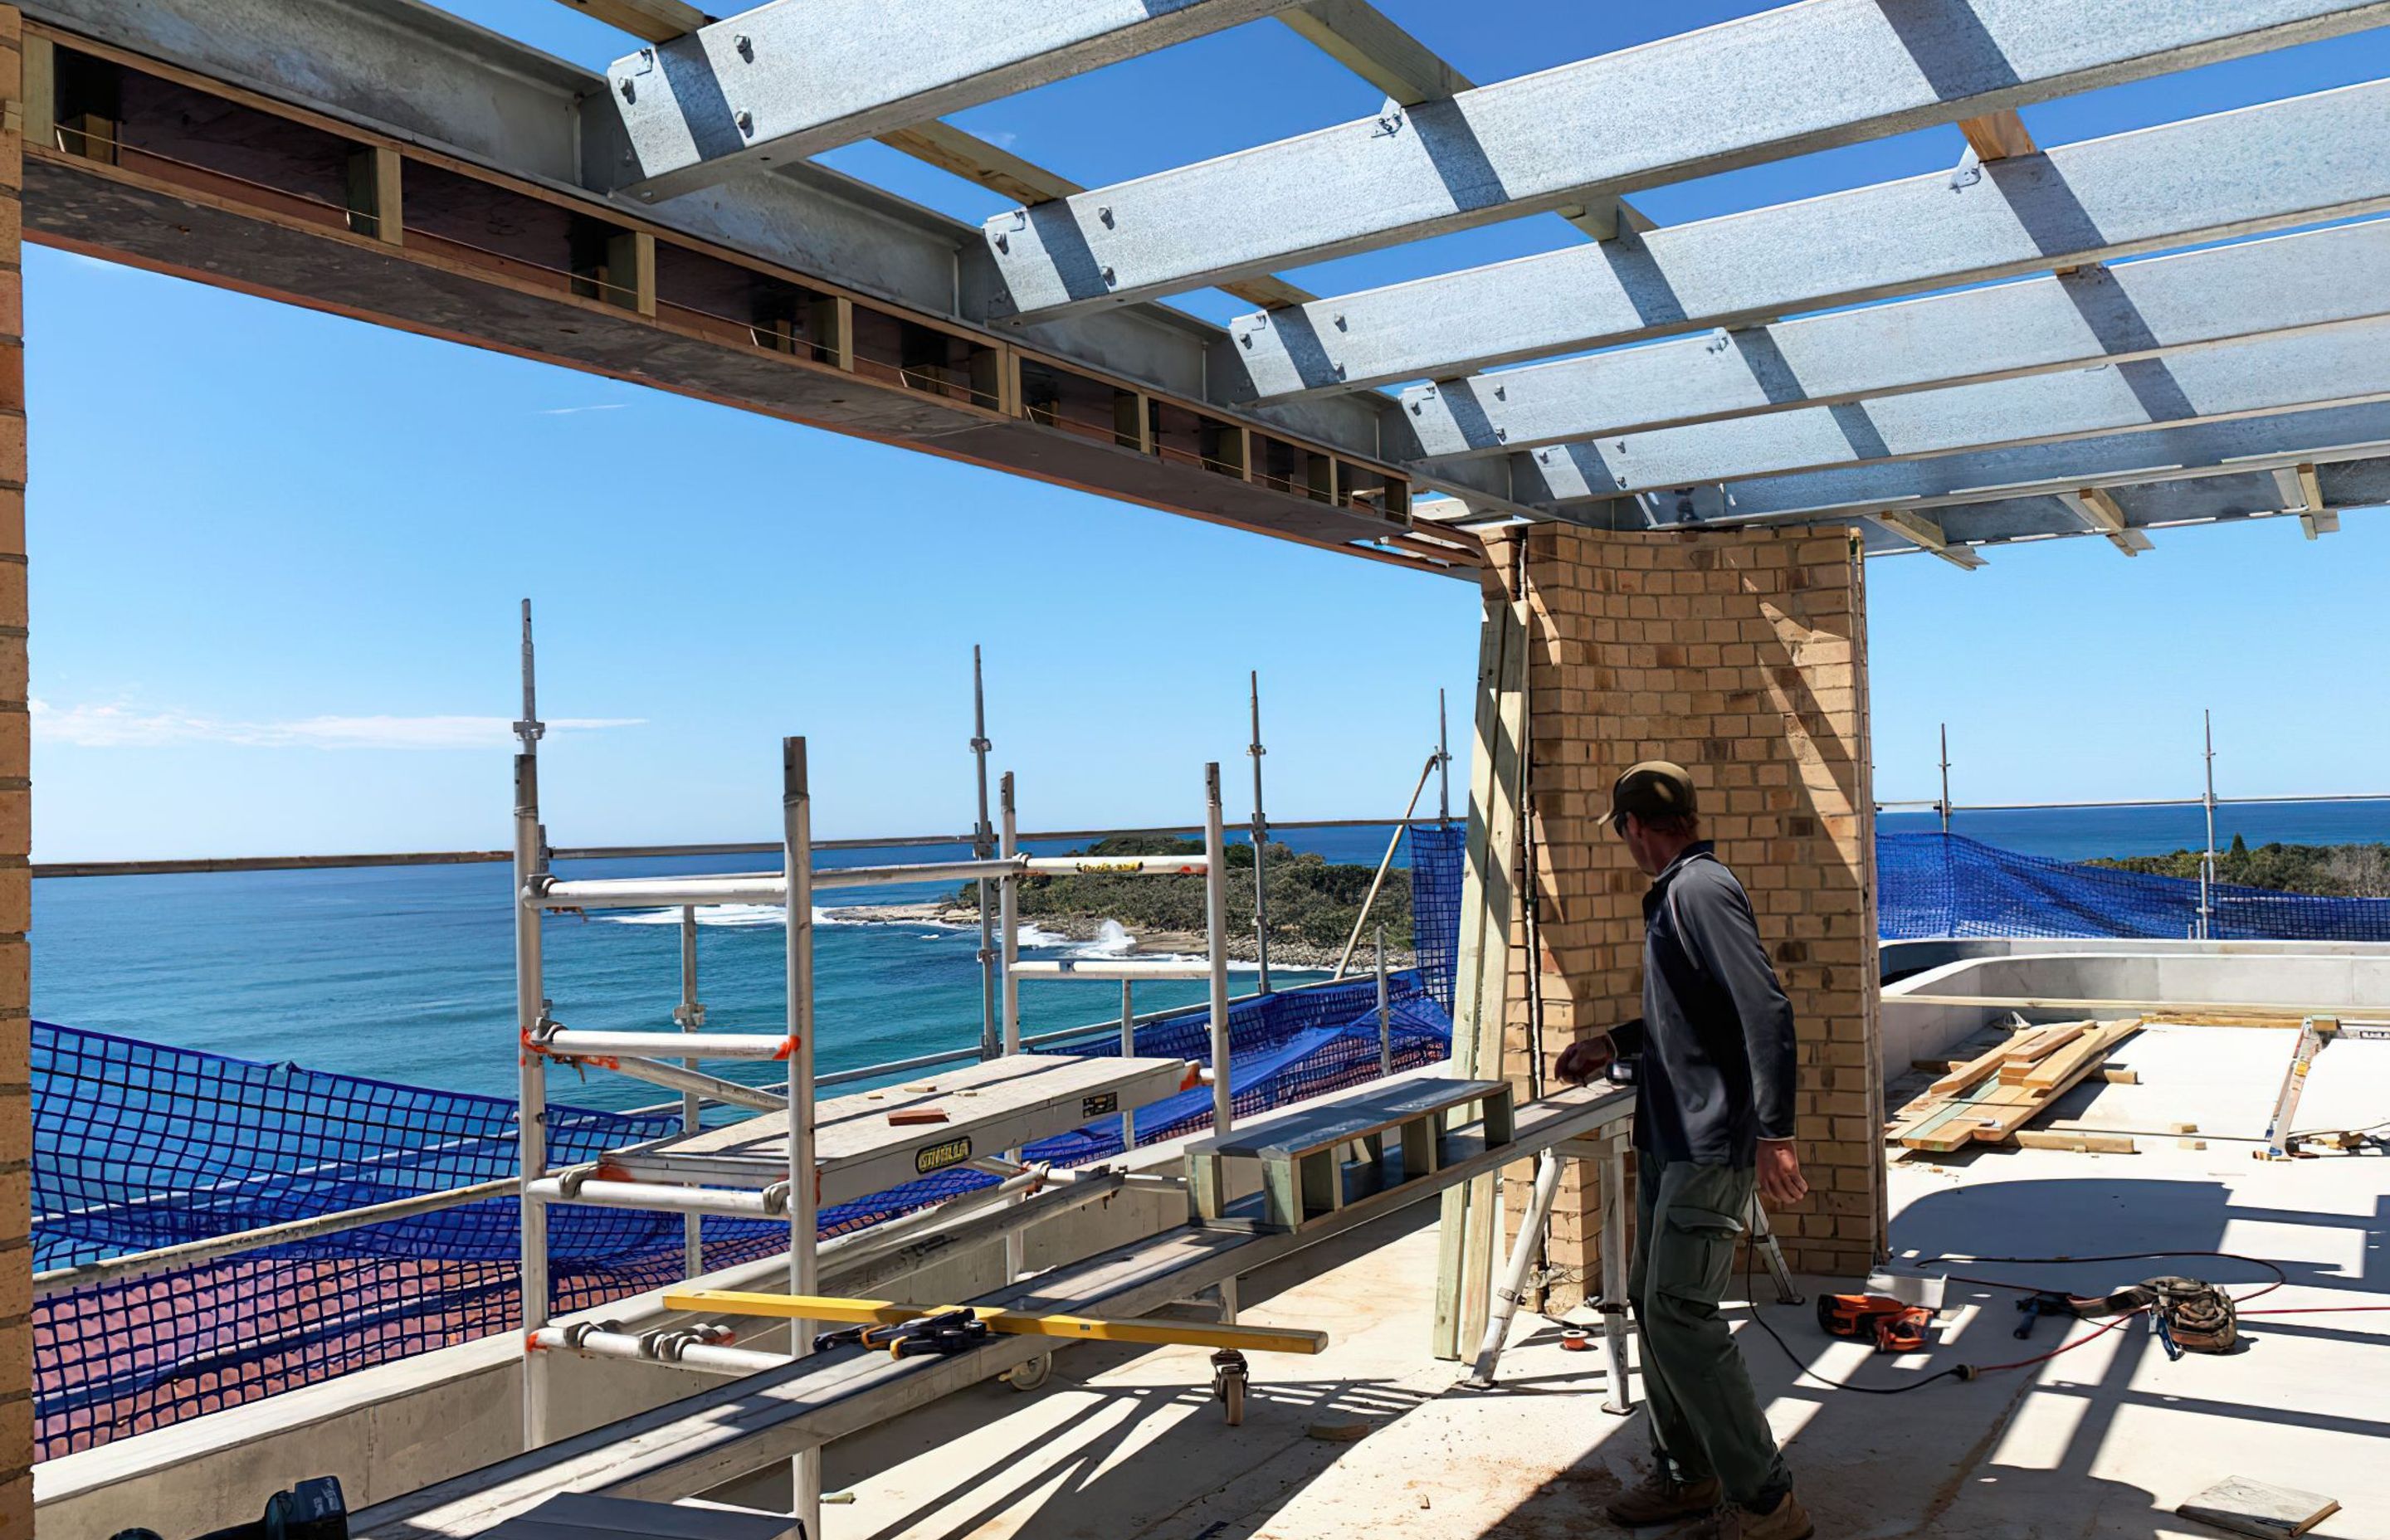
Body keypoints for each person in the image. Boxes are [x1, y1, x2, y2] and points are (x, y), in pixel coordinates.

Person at [1556, 761, 1812, 1540]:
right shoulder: (1678, 892)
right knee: (1651, 1301)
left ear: (1635, 826)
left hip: (1710, 1140)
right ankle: (1687, 1477)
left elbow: (1764, 1007)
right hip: (1671, 1135)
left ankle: (1767, 1501)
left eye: (1624, 833)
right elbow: (1692, 1016)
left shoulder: (1699, 890)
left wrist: (1775, 1132)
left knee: (1681, 1312)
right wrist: (1614, 1042)